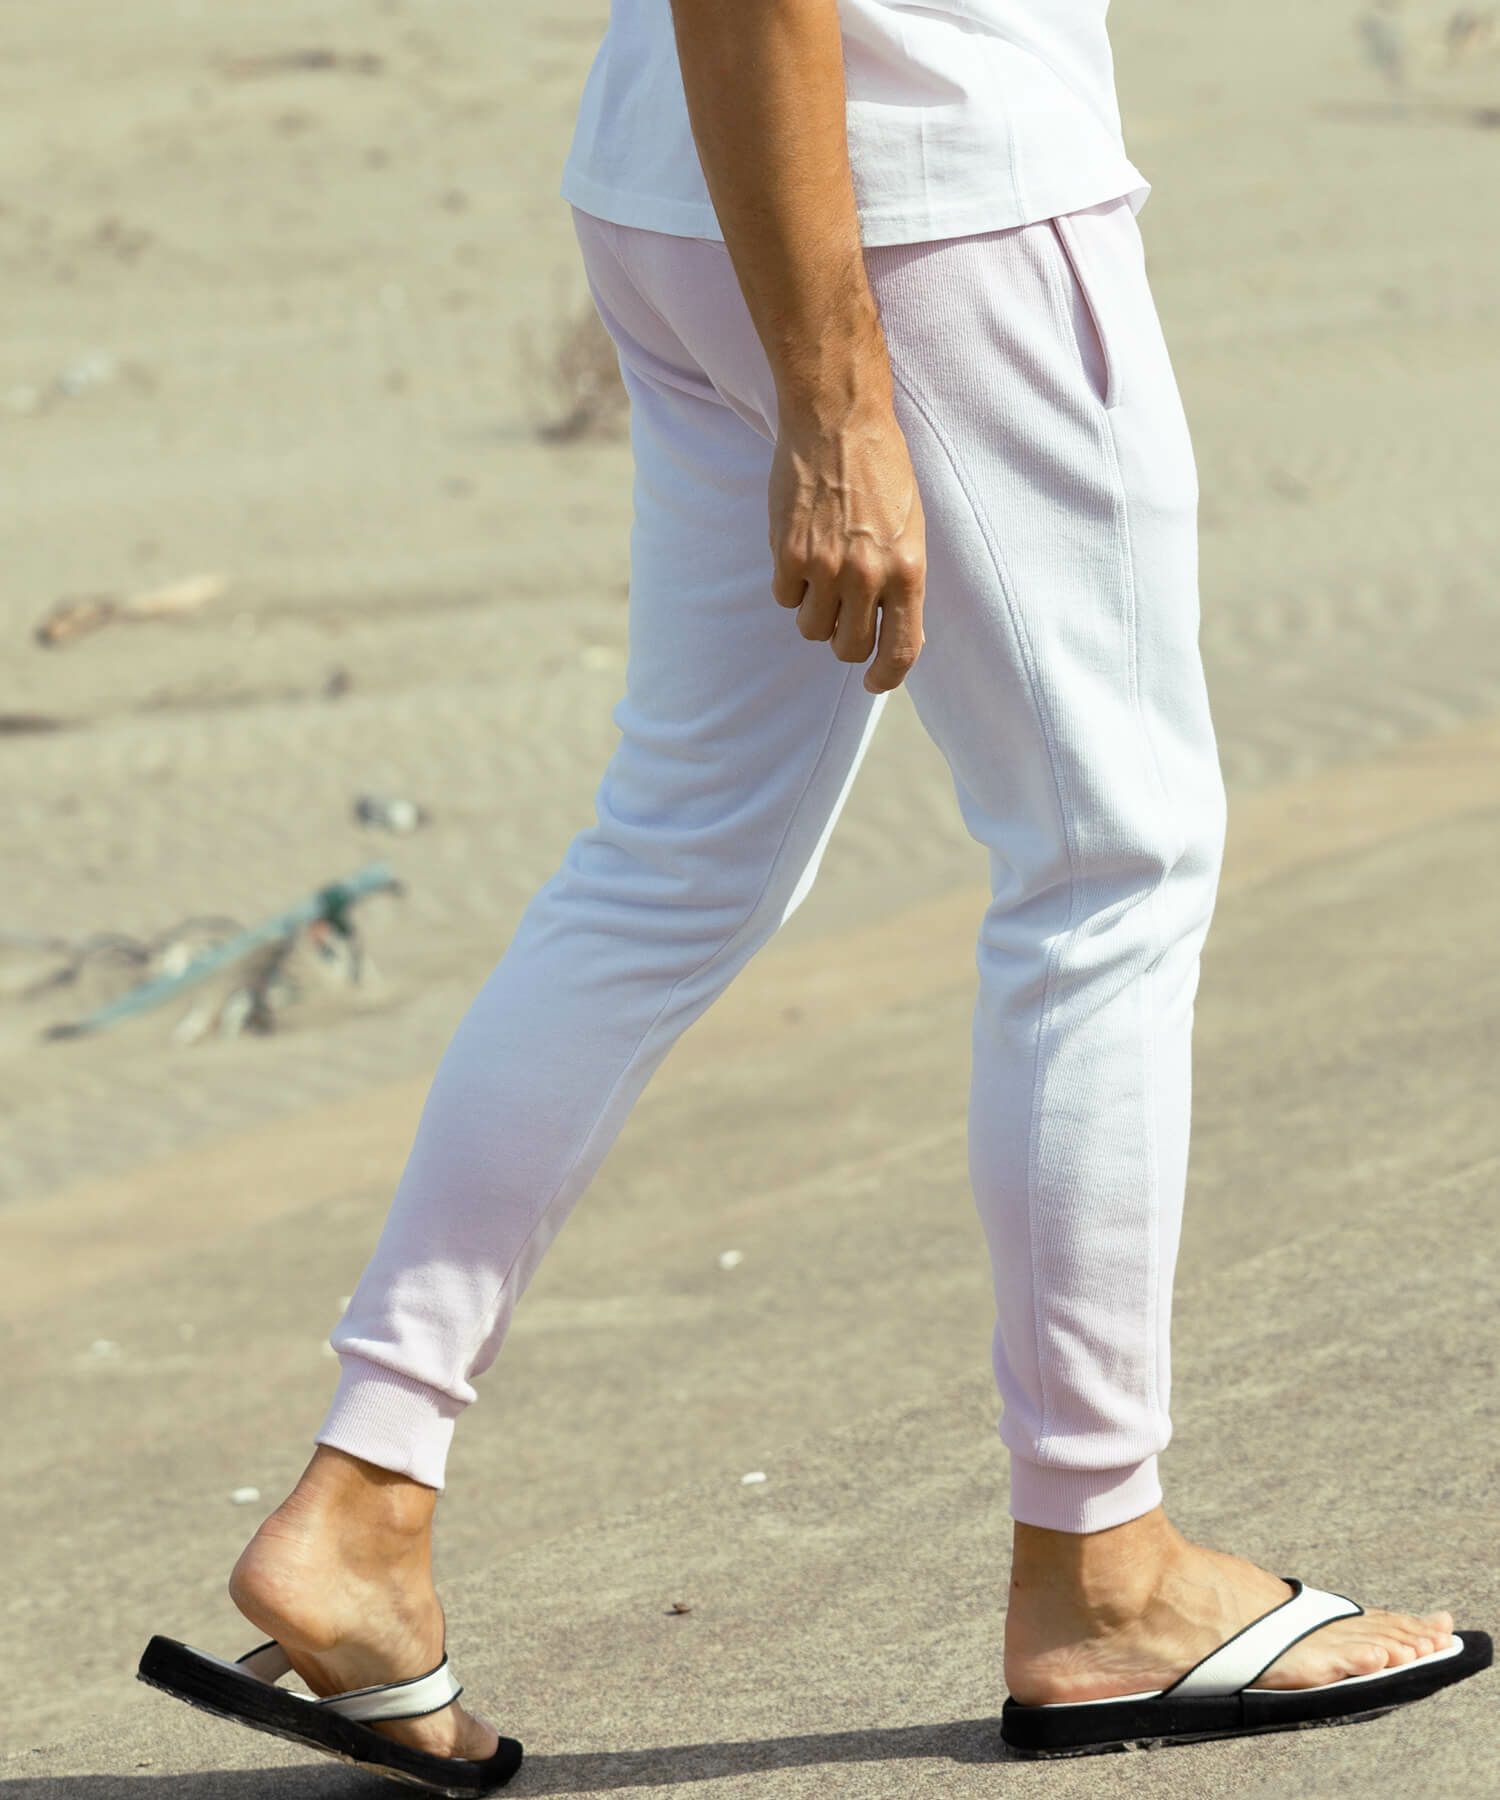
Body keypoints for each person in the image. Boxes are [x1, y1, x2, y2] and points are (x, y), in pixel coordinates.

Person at [142, 0, 1487, 1787]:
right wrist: (839, 398)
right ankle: (1105, 1571)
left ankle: (365, 1504)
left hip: (699, 176)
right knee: (1108, 866)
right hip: (924, 202)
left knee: (670, 860)